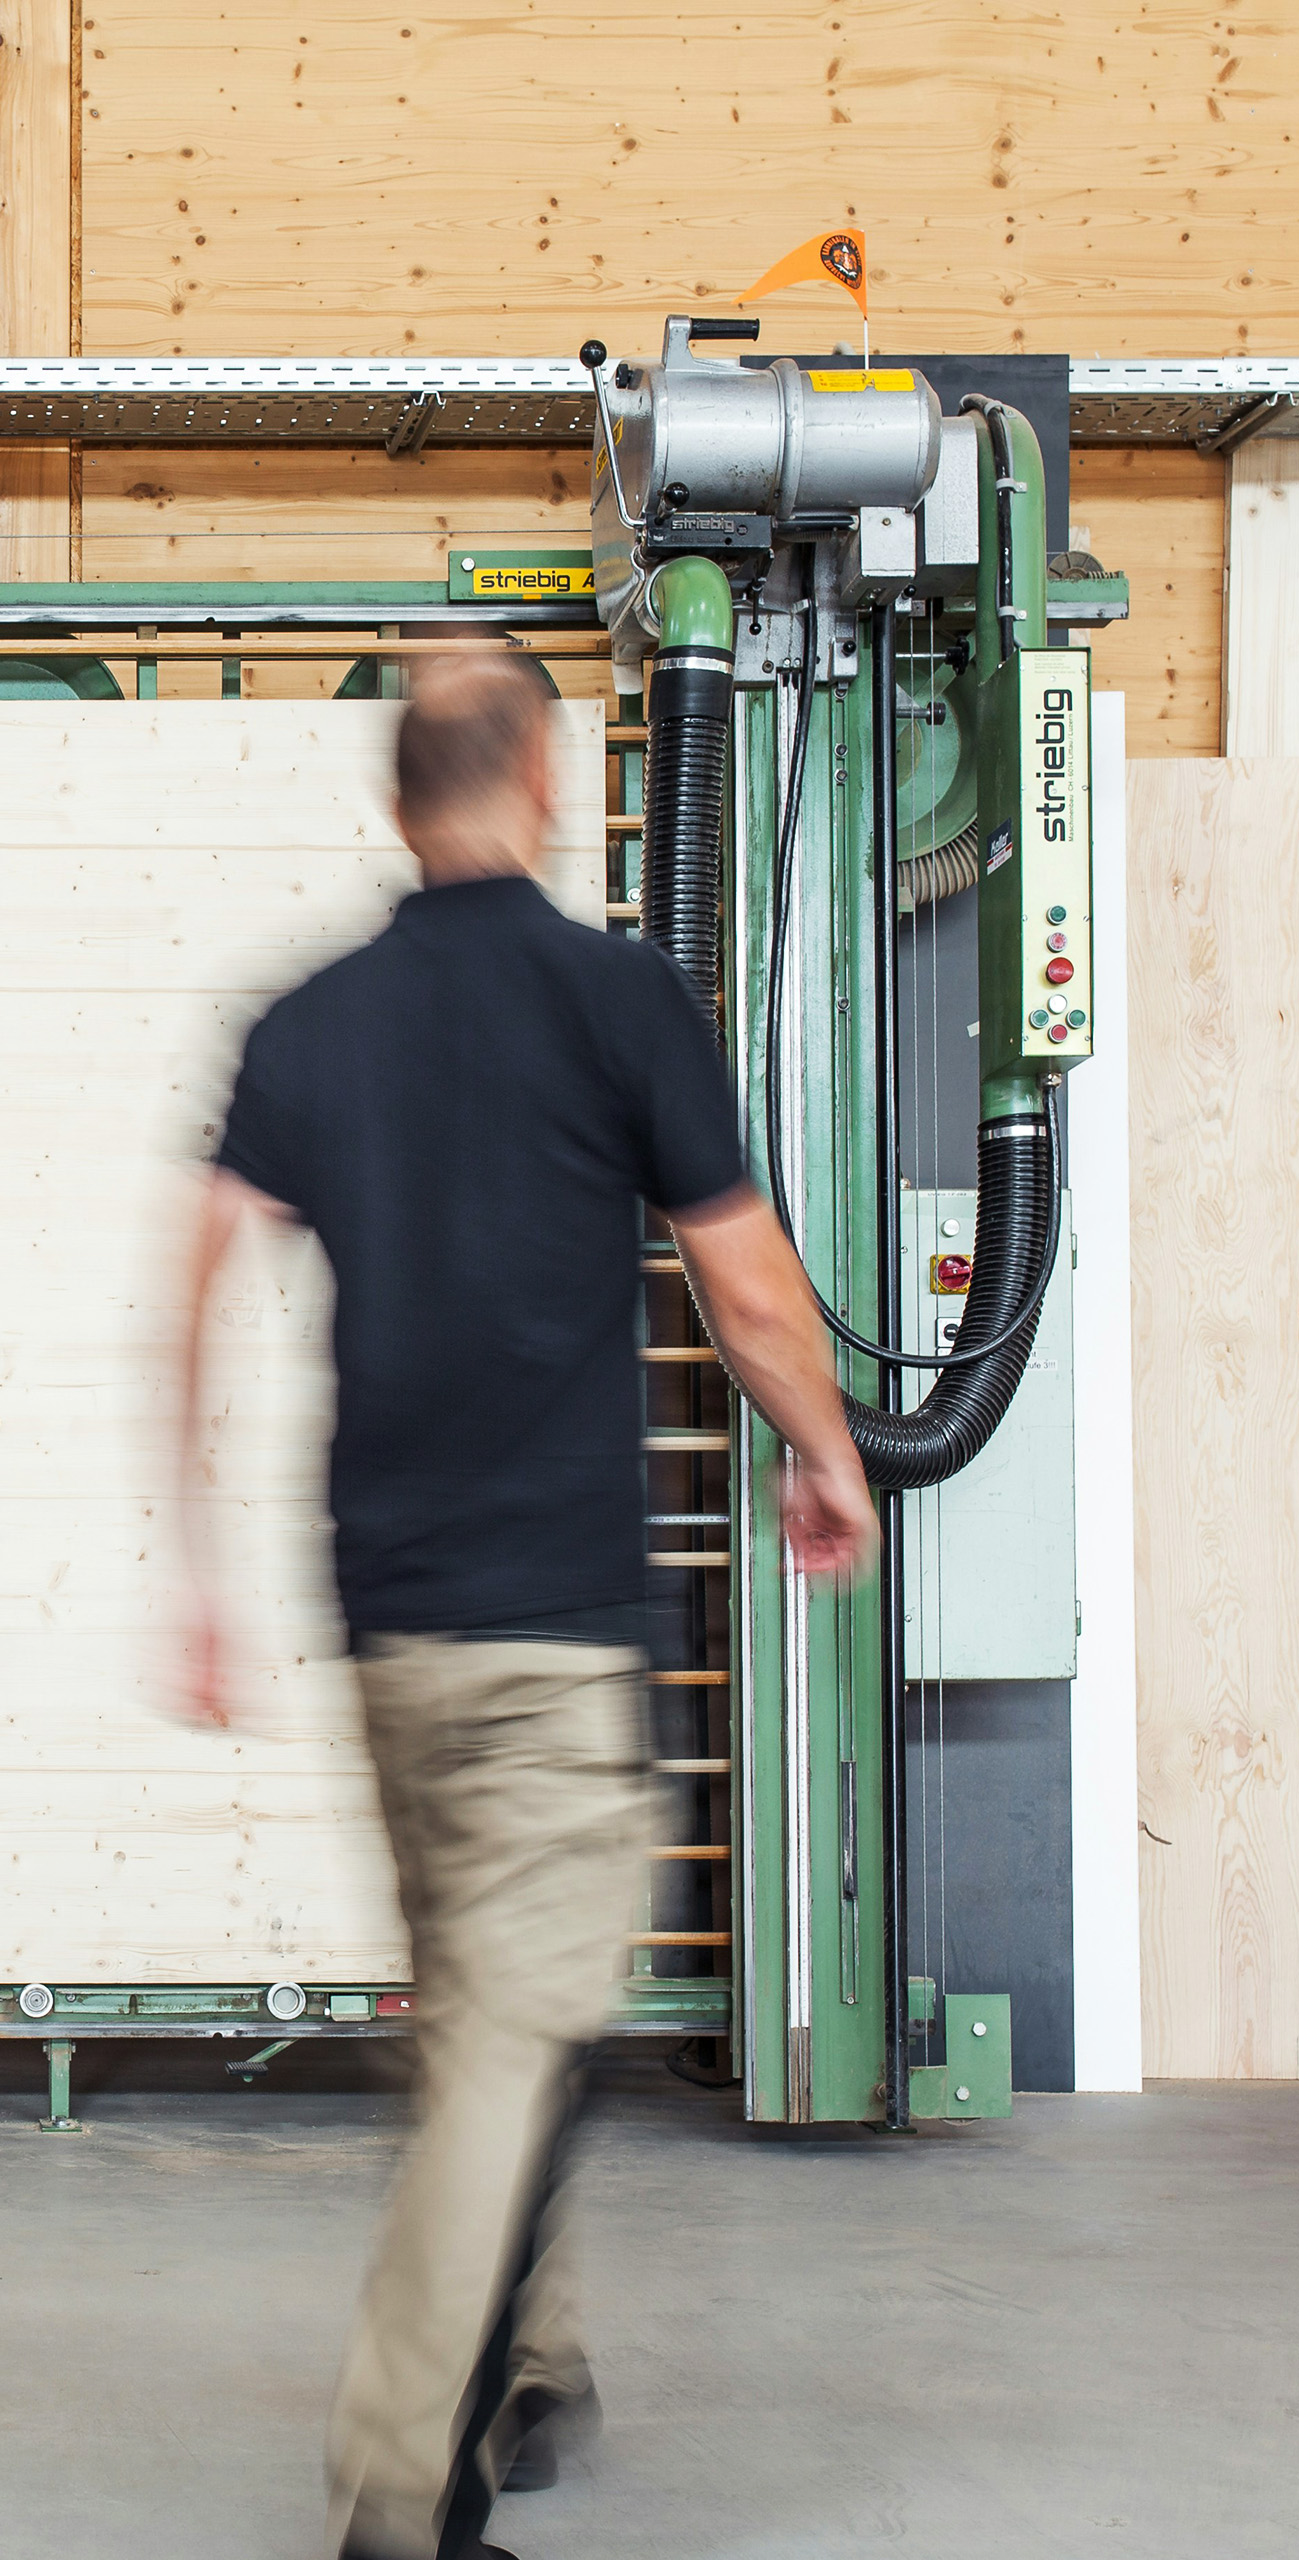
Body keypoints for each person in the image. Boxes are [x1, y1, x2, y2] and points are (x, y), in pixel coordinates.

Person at [177, 652, 876, 2560]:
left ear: (403, 800)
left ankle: (535, 2360)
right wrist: (826, 1451)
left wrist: (193, 1562)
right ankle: (404, 2482)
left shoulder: (311, 1020)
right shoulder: (619, 995)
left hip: (394, 1621)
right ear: (545, 779)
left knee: (492, 2018)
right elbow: (745, 1291)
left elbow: (208, 1269)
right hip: (560, 1632)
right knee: (513, 2034)